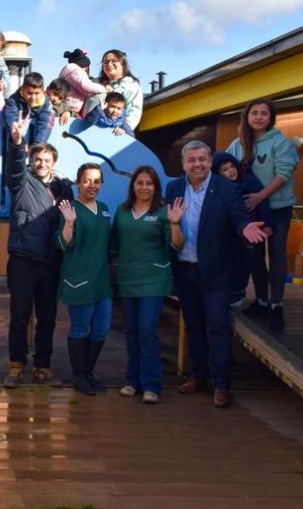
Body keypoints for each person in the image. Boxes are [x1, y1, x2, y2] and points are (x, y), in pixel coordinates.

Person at [165, 140, 268, 408]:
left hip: (217, 272)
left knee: (219, 327)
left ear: (210, 161)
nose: (197, 164)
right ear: (183, 163)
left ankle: (221, 384)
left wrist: (245, 229)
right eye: (192, 160)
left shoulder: (226, 189)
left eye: (202, 159)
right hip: (185, 270)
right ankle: (198, 375)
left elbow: (238, 218)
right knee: (193, 324)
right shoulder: (174, 187)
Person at [3, 111, 73, 388]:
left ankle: (43, 365)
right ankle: (16, 365)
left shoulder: (64, 188)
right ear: (31, 161)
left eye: (46, 160)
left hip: (51, 262)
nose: (41, 163)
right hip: (23, 260)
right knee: (19, 317)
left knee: (47, 318)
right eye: (37, 159)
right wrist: (17, 142)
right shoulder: (21, 182)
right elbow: (15, 164)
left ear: (53, 164)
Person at [110, 166, 184, 404]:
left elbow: (177, 246)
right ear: (133, 186)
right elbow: (114, 245)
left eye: (149, 183)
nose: (144, 187)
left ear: (156, 187)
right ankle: (133, 381)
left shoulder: (164, 212)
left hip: (154, 279)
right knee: (131, 331)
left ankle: (152, 385)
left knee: (146, 329)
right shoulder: (122, 211)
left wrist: (175, 224)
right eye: (139, 183)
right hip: (128, 278)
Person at [226, 98, 300, 331]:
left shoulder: (281, 143)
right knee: (254, 256)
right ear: (247, 116)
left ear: (271, 118)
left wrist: (261, 195)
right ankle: (260, 300)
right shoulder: (237, 145)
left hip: (278, 208)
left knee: (277, 255)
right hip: (251, 210)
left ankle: (277, 305)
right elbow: (222, 167)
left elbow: (284, 173)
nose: (258, 117)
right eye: (254, 113)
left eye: (264, 113)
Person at [56, 163, 112, 396]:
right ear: (78, 182)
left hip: (101, 280)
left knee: (101, 329)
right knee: (81, 327)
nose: (92, 185)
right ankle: (78, 376)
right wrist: (69, 222)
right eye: (87, 180)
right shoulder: (71, 208)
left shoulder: (105, 208)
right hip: (79, 278)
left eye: (97, 181)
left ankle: (89, 372)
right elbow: (63, 243)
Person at [212, 151, 274, 307]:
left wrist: (267, 224)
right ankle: (231, 291)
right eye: (225, 169)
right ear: (218, 173)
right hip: (230, 234)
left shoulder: (250, 181)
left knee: (249, 262)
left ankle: (248, 293)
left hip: (251, 231)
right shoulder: (218, 187)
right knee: (231, 262)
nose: (231, 171)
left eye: (232, 166)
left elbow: (264, 203)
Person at [89, 49, 143, 133]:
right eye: (106, 62)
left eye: (114, 61)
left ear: (123, 64)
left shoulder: (131, 86)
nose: (109, 64)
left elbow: (134, 111)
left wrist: (124, 129)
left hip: (114, 133)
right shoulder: (94, 83)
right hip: (87, 130)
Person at [2, 72, 55, 146]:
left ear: (42, 91)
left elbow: (46, 124)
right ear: (23, 89)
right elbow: (11, 118)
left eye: (37, 93)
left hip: (35, 144)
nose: (33, 97)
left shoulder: (46, 103)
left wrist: (37, 146)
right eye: (29, 93)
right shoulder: (14, 100)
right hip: (15, 142)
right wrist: (18, 140)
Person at [58, 48, 106, 119]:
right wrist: (103, 89)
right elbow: (85, 86)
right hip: (71, 107)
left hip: (67, 106)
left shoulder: (69, 72)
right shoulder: (77, 71)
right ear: (85, 66)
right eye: (88, 67)